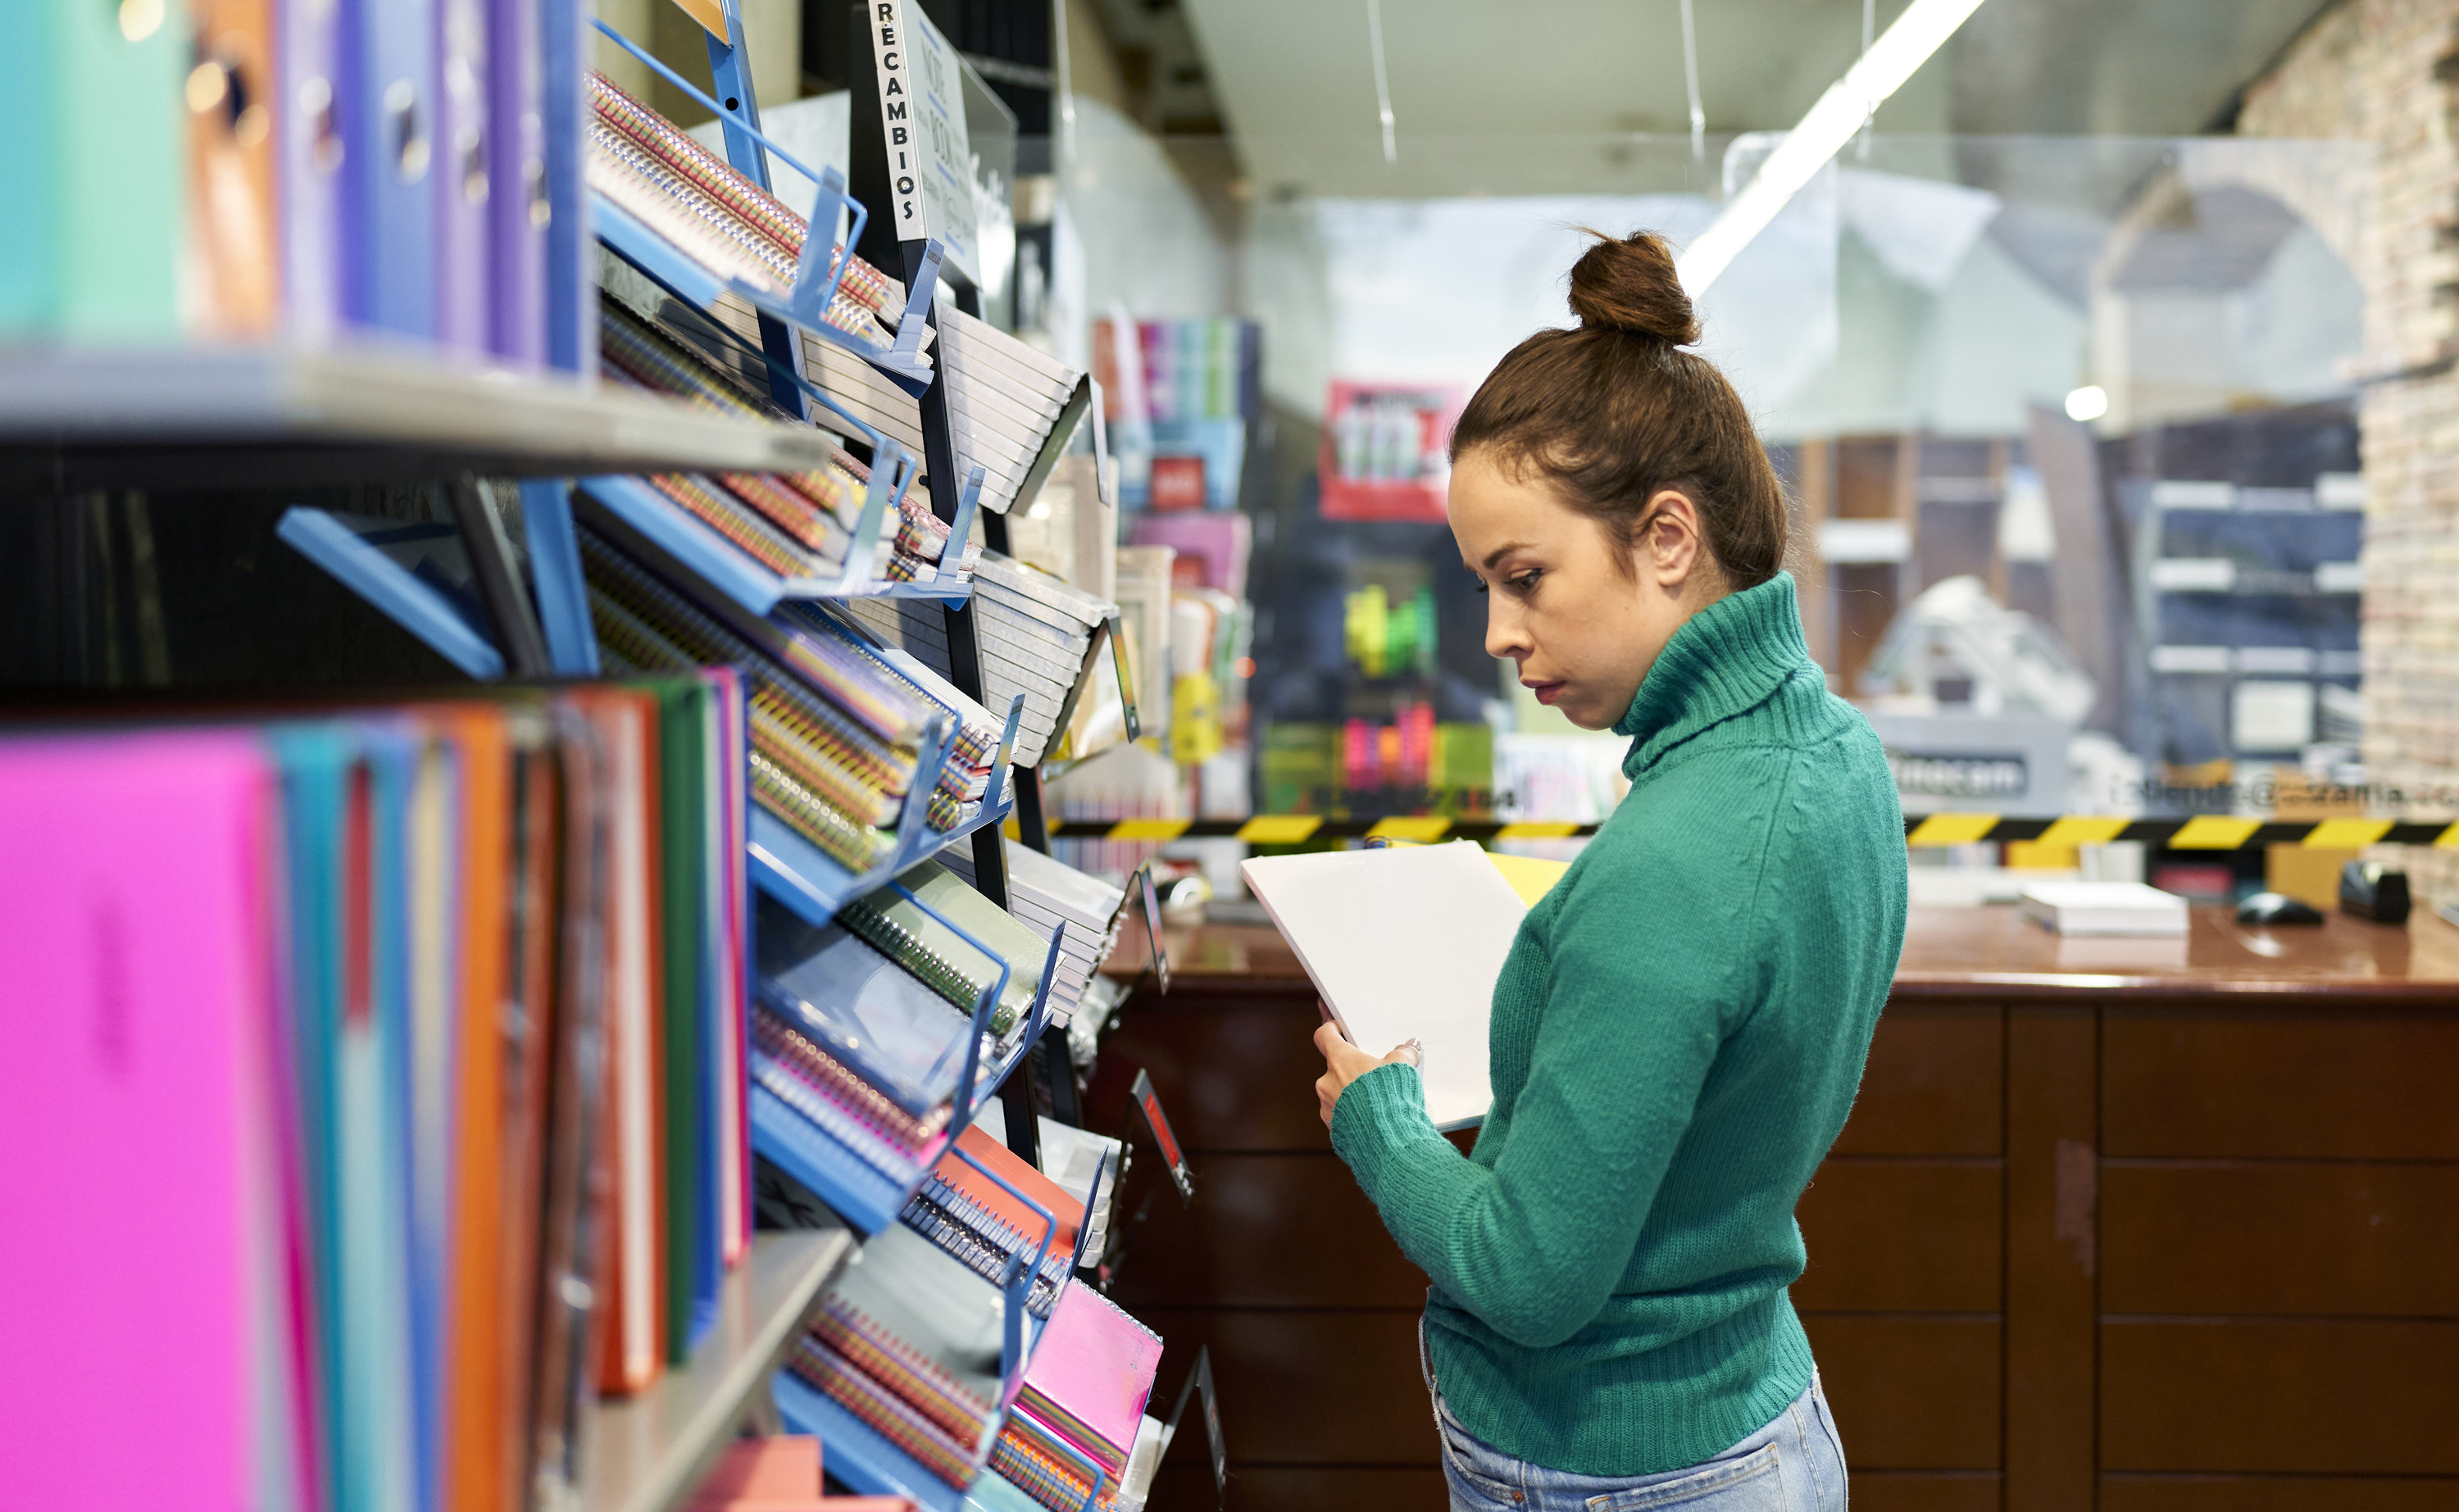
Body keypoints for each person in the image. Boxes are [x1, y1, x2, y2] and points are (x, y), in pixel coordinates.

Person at [1310, 228, 1908, 1511]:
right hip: (1756, 1415)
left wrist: (1379, 1126)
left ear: (1670, 537)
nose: (1498, 633)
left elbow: (1529, 1273)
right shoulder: (1838, 758)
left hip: (1615, 1465)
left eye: (1525, 577)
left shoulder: (1682, 857)